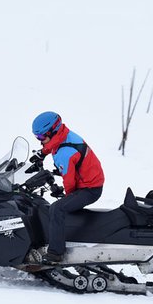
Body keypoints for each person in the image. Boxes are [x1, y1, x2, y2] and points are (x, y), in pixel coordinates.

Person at [32, 111, 105, 264]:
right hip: (86, 179)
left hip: (90, 189)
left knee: (56, 209)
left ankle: (55, 253)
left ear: (53, 131)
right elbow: (53, 143)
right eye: (37, 137)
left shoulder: (65, 153)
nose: (40, 141)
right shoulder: (64, 135)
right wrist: (41, 154)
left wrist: (67, 197)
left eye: (41, 137)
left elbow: (70, 184)